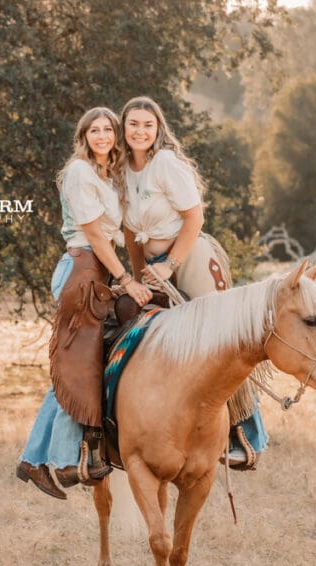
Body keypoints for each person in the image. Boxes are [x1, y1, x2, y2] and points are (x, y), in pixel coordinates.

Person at [119, 96, 269, 468]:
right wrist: (139, 278)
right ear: (123, 129)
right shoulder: (121, 171)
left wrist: (170, 264)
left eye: (147, 125)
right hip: (154, 266)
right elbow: (129, 232)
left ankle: (246, 434)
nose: (140, 131)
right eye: (133, 124)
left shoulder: (166, 164)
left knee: (220, 340)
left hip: (190, 256)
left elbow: (194, 218)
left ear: (158, 130)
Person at [17, 107, 152, 499]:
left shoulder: (109, 176)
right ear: (84, 136)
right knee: (79, 368)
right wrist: (127, 280)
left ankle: (35, 460)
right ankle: (58, 460)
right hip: (82, 268)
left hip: (98, 271)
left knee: (80, 365)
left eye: (108, 129)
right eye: (94, 130)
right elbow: (94, 234)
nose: (103, 136)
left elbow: (122, 231)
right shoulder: (79, 172)